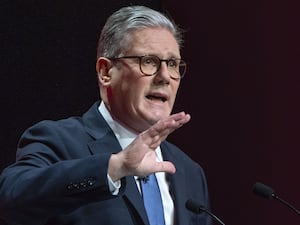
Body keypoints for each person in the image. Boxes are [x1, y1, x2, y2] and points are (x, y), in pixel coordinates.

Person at [0, 5, 212, 225]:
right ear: (105, 72)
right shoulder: (60, 142)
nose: (165, 76)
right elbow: (11, 198)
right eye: (149, 61)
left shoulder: (189, 172)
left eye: (172, 64)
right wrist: (115, 167)